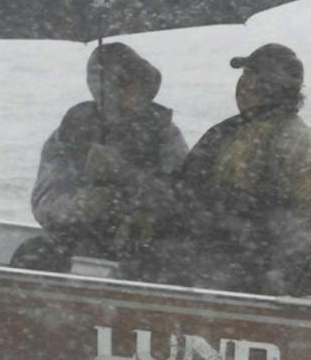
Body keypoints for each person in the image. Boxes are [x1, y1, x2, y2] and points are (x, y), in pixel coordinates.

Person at [164, 44, 311, 294]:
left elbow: (307, 228)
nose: (242, 84)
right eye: (244, 75)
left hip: (242, 268)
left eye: (249, 74)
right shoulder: (237, 131)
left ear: (261, 85)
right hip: (221, 258)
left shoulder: (289, 144)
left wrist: (277, 273)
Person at [16, 43, 189, 272]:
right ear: (99, 88)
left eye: (133, 82)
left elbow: (185, 200)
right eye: (118, 82)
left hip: (144, 243)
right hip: (78, 239)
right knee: (34, 253)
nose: (128, 91)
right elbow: (45, 202)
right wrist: (84, 204)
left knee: (159, 265)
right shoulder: (73, 132)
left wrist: (129, 177)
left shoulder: (164, 133)